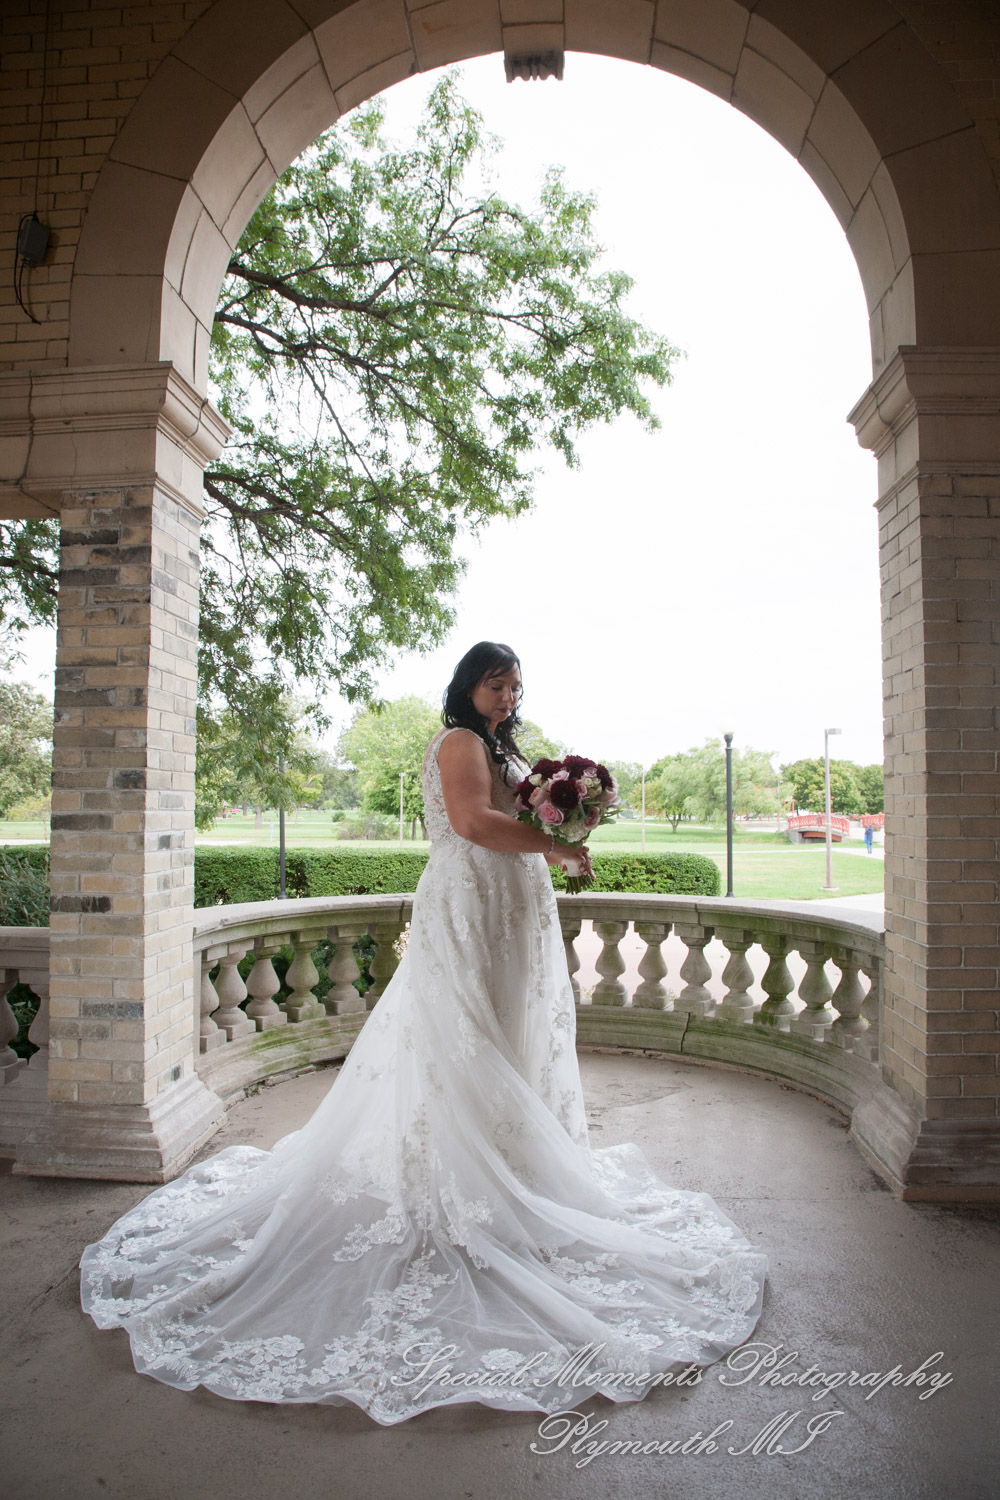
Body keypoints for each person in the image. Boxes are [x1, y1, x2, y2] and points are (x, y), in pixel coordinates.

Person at [79, 641, 767, 1424]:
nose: (508, 694)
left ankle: (517, 1166)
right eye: (495, 682)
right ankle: (459, 1179)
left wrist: (565, 806)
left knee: (508, 1030)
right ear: (467, 687)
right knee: (461, 1034)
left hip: (513, 903)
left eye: (514, 684)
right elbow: (473, 823)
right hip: (473, 900)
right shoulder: (458, 743)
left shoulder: (501, 745)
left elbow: (509, 810)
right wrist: (557, 841)